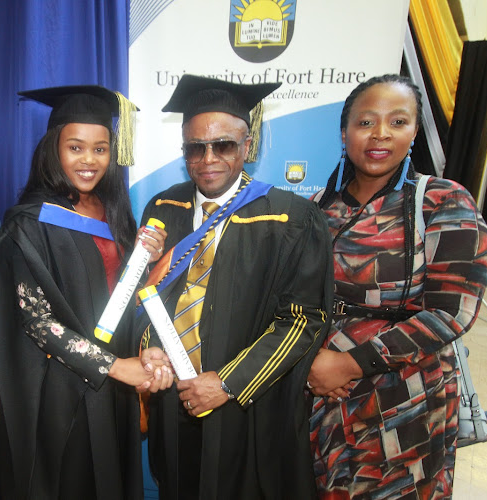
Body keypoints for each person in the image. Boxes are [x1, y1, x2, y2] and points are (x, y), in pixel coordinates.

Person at [136, 74, 334, 499]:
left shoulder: (290, 219)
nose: (208, 158)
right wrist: (150, 346)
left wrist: (226, 383)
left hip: (245, 402)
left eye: (223, 145)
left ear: (247, 146)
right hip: (174, 397)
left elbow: (302, 321)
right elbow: (150, 293)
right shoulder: (164, 207)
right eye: (195, 147)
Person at [308, 74, 487, 499]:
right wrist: (311, 362)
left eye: (397, 122)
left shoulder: (443, 201)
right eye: (365, 122)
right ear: (344, 132)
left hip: (405, 396)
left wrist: (350, 364)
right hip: (324, 392)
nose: (380, 135)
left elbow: (452, 312)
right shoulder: (318, 207)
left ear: (413, 132)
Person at [0, 85, 173, 499]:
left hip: (115, 382)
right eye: (75, 147)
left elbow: (114, 297)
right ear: (53, 149)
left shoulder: (113, 212)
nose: (89, 160)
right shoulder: (29, 224)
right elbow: (36, 323)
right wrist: (113, 366)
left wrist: (141, 259)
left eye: (101, 149)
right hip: (61, 389)